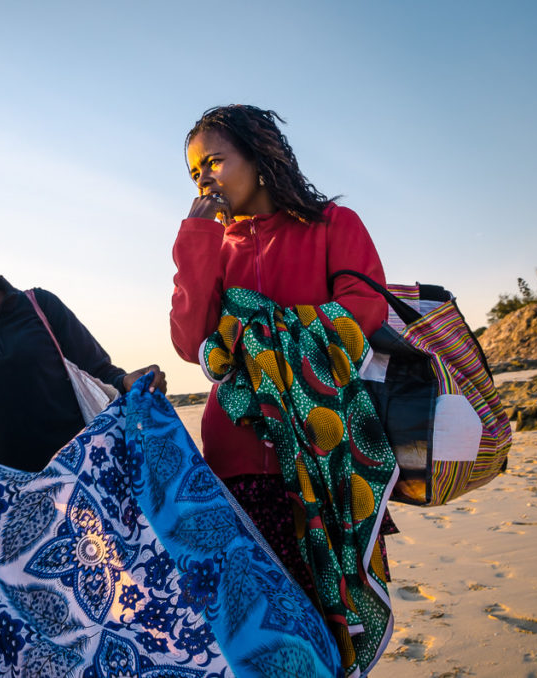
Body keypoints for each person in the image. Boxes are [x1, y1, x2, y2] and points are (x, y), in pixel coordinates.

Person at [170, 105, 395, 671]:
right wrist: (196, 237)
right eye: (195, 171)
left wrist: (256, 328)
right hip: (239, 462)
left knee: (331, 625)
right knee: (265, 633)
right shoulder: (212, 246)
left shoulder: (333, 225)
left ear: (261, 157)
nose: (204, 178)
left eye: (215, 161)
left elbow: (364, 311)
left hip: (330, 457)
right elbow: (188, 339)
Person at [0, 200, 166, 472]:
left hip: (86, 481)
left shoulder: (41, 306)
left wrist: (131, 382)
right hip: (0, 503)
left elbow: (100, 373)